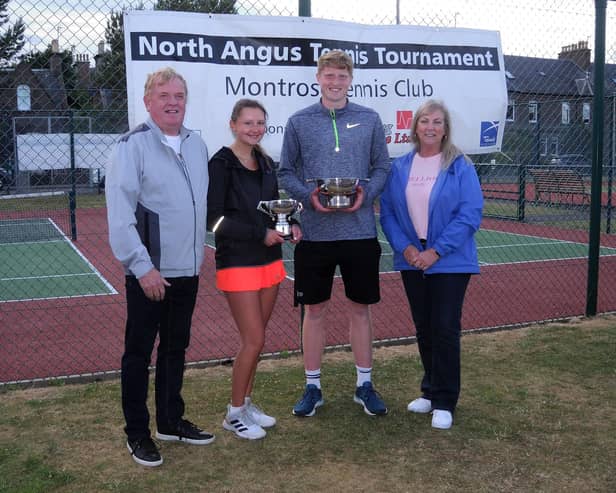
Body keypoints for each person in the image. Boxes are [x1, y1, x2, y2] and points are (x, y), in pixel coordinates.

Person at [106, 67, 214, 467]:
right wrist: (142, 267)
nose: (173, 102)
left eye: (179, 95)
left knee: (175, 348)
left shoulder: (197, 145)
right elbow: (120, 217)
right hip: (150, 273)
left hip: (187, 269)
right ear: (148, 100)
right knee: (138, 354)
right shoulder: (130, 146)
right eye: (164, 95)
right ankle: (137, 433)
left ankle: (170, 420)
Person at [278, 50, 391, 417]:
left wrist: (366, 196)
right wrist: (309, 198)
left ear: (350, 79)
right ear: (318, 78)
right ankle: (313, 387)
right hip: (314, 235)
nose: (335, 82)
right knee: (315, 310)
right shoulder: (298, 122)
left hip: (359, 232)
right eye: (329, 75)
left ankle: (364, 384)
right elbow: (285, 173)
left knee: (360, 310)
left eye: (342, 76)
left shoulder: (370, 119)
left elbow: (381, 167)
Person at [379, 99, 483, 430]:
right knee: (424, 326)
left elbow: (470, 214)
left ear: (445, 128)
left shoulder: (460, 165)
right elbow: (390, 213)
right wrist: (407, 248)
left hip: (449, 261)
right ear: (416, 127)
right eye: (425, 121)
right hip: (412, 260)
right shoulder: (400, 166)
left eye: (437, 122)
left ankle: (445, 399)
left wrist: (435, 252)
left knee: (445, 327)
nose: (430, 127)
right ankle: (429, 389)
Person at [207, 99, 302, 440]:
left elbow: (271, 209)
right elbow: (214, 220)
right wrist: (258, 234)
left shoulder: (264, 161)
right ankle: (233, 414)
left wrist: (289, 225)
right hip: (237, 262)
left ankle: (245, 403)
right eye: (248, 122)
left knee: (257, 341)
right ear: (233, 124)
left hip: (269, 263)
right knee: (254, 339)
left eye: (260, 122)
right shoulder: (220, 164)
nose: (255, 128)